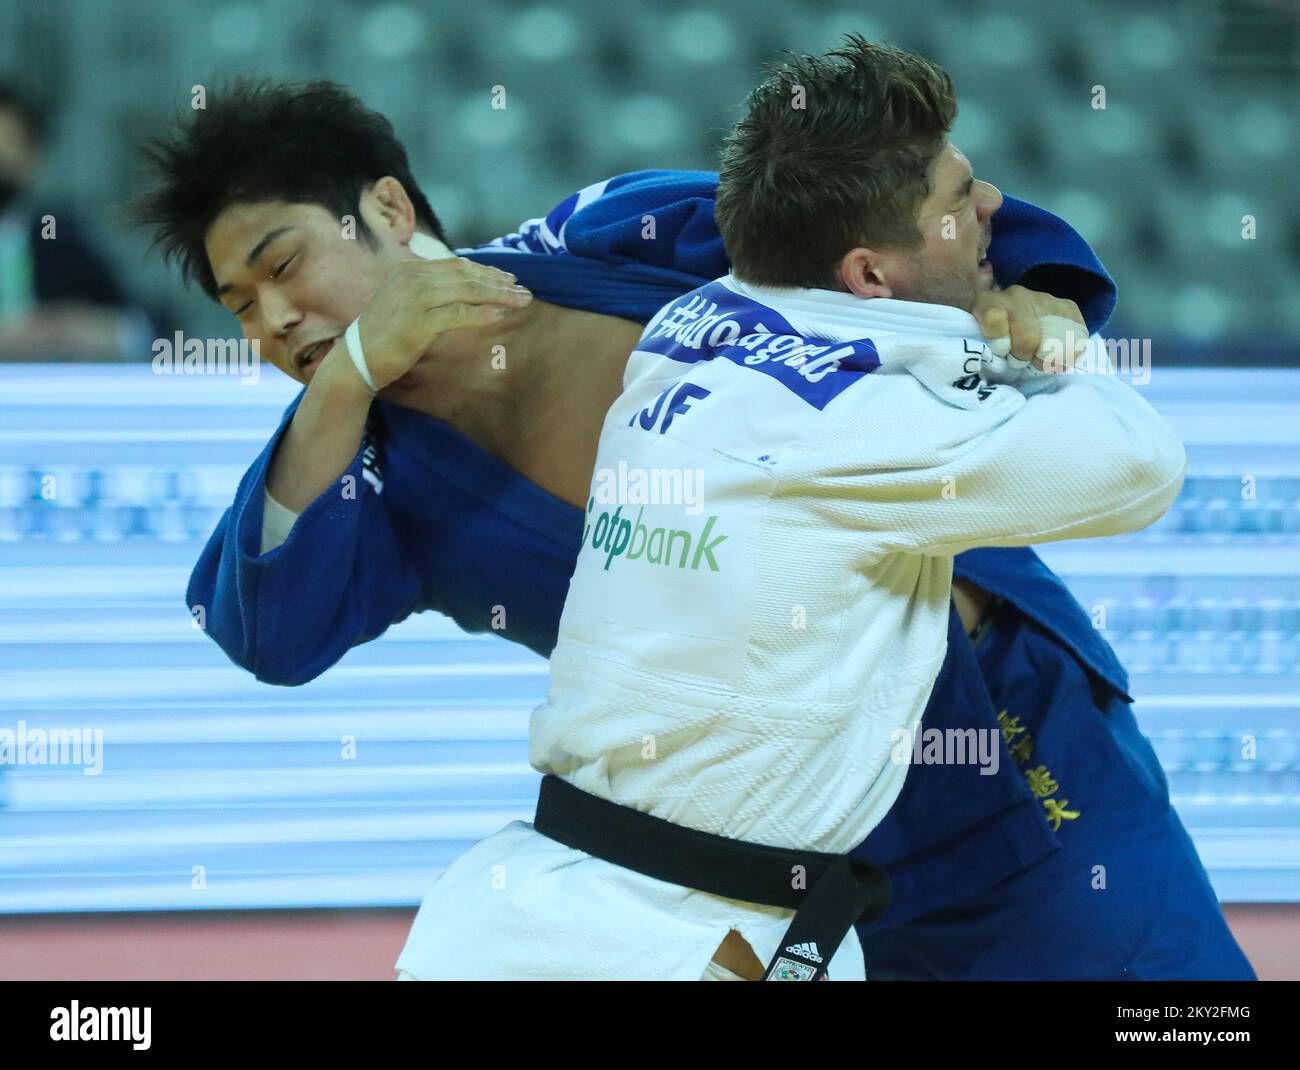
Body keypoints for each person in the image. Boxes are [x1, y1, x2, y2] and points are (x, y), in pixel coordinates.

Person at [133, 51, 1255, 979]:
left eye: (284, 264)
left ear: (385, 207)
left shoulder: (606, 239)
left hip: (1012, 750)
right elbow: (265, 628)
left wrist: (1008, 297)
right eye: (240, 307)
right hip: (772, 865)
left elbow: (883, 215)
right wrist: (344, 379)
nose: (274, 319)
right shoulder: (378, 479)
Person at [0, 82, 156, 360]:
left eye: (9, 150)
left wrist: (84, 329)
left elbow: (142, 326)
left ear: (34, 158)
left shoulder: (62, 240)